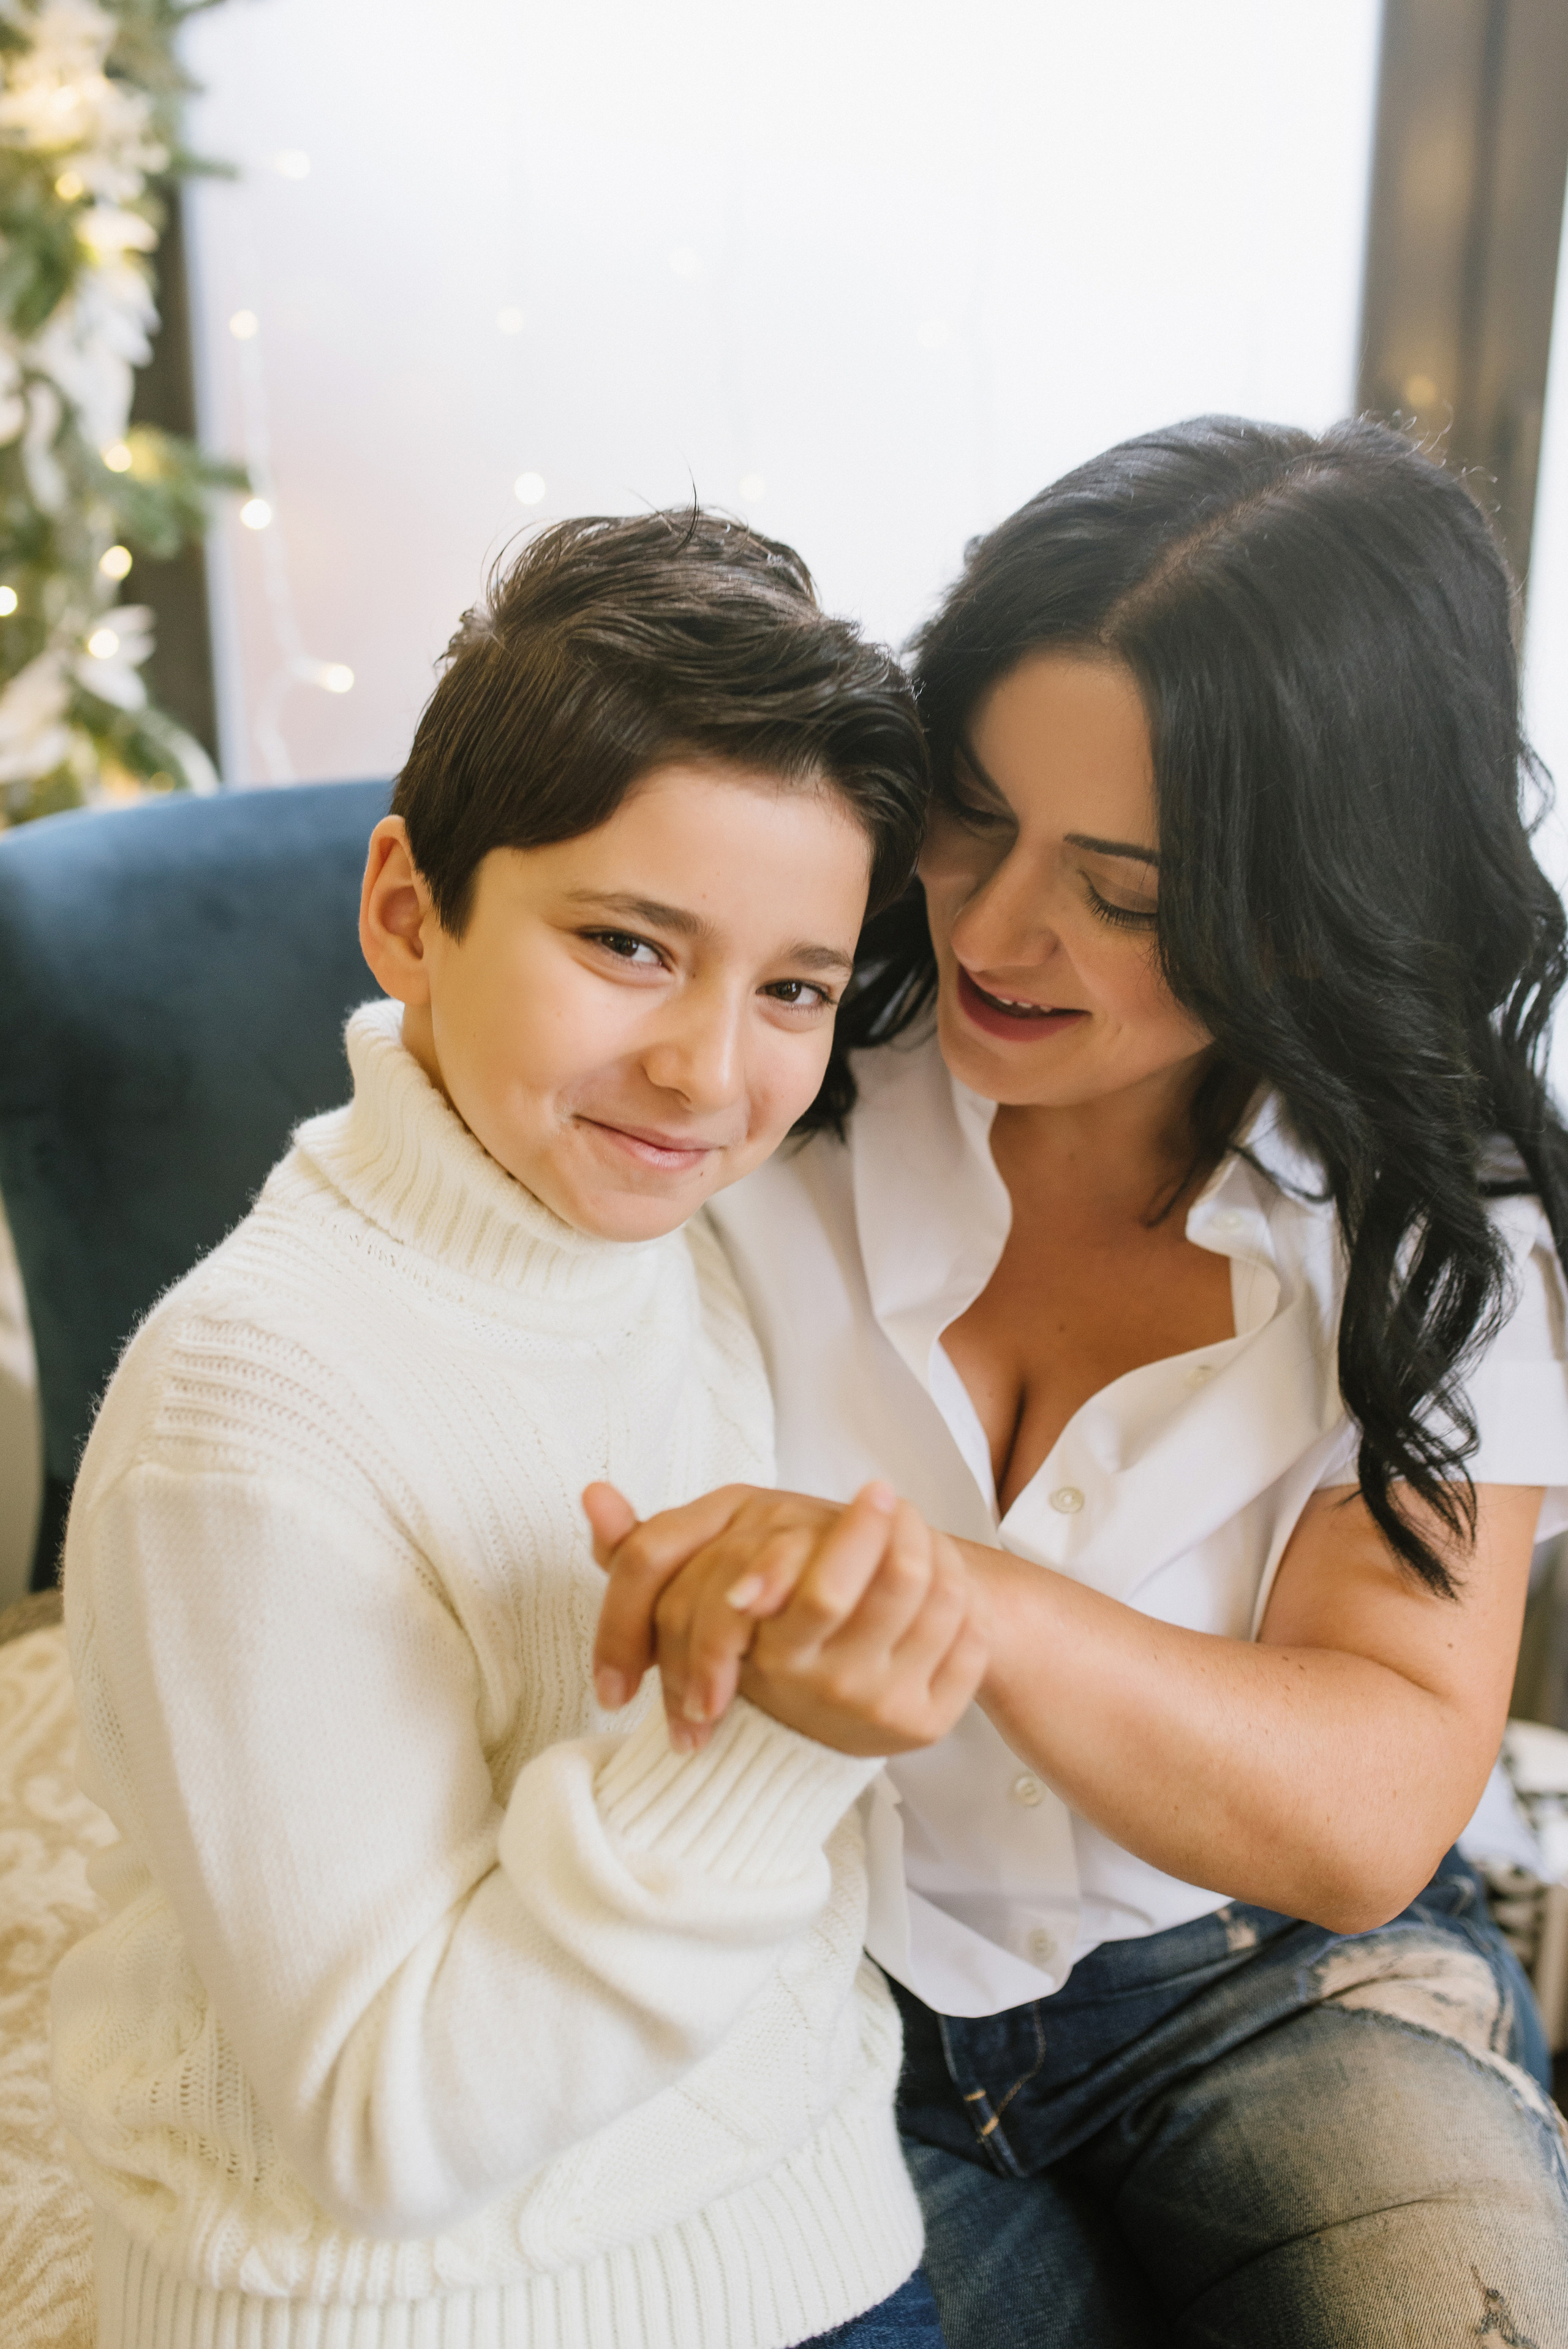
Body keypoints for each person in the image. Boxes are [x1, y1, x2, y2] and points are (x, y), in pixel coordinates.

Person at [590, 420, 1568, 2347]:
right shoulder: (762, 1089)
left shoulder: (1444, 1231)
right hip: (809, 1984)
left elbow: (1372, 1804)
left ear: (1322, 887)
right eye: (971, 814)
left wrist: (978, 1609)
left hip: (1274, 1985)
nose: (996, 928)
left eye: (1125, 889)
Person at [51, 510, 981, 2349]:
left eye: (793, 985)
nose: (712, 1071)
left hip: (808, 2231)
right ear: (410, 910)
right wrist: (766, 1744)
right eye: (631, 944)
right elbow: (382, 2122)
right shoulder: (251, 1416)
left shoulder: (688, 1245)